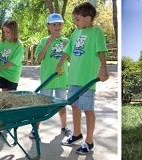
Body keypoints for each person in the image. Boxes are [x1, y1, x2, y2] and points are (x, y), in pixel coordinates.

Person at [56, 2, 109, 154]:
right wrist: (60, 64)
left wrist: (104, 69)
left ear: (88, 18)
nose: (75, 22)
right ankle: (77, 133)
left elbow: (101, 51)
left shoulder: (96, 32)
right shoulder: (75, 33)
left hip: (87, 79)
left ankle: (89, 141)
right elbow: (67, 51)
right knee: (74, 106)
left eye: (77, 19)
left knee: (88, 109)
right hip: (73, 78)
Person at [32, 13, 72, 138]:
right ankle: (35, 129)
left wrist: (67, 50)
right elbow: (39, 58)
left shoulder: (67, 41)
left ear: (62, 25)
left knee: (62, 105)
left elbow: (71, 60)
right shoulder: (44, 40)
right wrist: (47, 44)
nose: (57, 27)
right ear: (48, 26)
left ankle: (64, 127)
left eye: (59, 24)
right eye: (54, 24)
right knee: (43, 105)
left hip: (62, 79)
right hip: (47, 80)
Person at [0, 19, 24, 92]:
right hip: (3, 73)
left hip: (12, 74)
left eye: (8, 32)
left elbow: (12, 62)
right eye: (4, 32)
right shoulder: (2, 42)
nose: (5, 34)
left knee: (11, 94)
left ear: (14, 31)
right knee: (4, 92)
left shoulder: (18, 45)